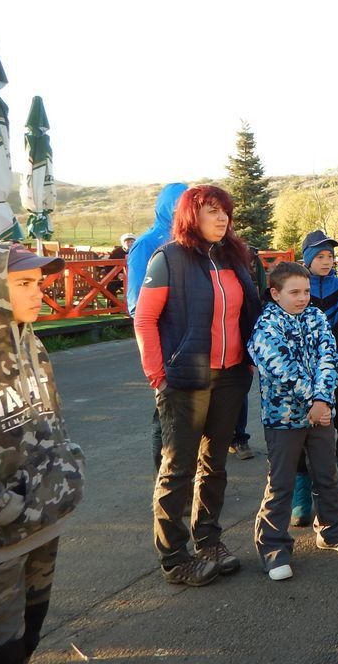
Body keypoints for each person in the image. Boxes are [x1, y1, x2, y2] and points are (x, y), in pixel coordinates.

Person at [134, 185, 262, 587]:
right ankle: (174, 558)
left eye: (225, 211)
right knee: (177, 471)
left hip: (230, 377)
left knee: (215, 465)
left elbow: (251, 312)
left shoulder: (234, 257)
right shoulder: (168, 257)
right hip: (185, 380)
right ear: (192, 215)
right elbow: (144, 319)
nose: (222, 219)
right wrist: (158, 377)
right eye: (211, 211)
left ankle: (208, 541)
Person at [0, 243, 85, 664]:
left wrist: (70, 467)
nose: (37, 293)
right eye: (23, 283)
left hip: (44, 523)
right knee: (0, 651)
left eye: (39, 283)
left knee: (30, 637)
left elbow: (50, 421)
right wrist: (5, 506)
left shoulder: (34, 346)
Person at [248, 262, 338, 582]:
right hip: (283, 419)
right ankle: (274, 549)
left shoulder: (316, 317)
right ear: (275, 293)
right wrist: (312, 400)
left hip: (321, 413)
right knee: (281, 483)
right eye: (294, 292)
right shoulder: (266, 325)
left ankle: (332, 531)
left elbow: (330, 356)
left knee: (327, 474)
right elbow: (279, 368)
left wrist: (323, 400)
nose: (302, 298)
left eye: (307, 292)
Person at [290, 231, 338, 525]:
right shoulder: (298, 289)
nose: (327, 261)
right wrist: (310, 373)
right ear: (307, 259)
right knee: (301, 435)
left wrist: (333, 369)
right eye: (320, 256)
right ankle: (301, 494)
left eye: (330, 256)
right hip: (304, 379)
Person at [126, 182, 188, 473]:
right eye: (175, 207)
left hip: (191, 342)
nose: (180, 213)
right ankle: (165, 480)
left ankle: (184, 480)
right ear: (165, 208)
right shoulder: (147, 243)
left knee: (189, 416)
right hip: (165, 341)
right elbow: (138, 303)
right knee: (166, 414)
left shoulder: (193, 240)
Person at [228, 246, 269, 462]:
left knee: (240, 384)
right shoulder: (198, 256)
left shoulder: (249, 254)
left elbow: (262, 290)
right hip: (212, 336)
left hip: (244, 328)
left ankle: (239, 438)